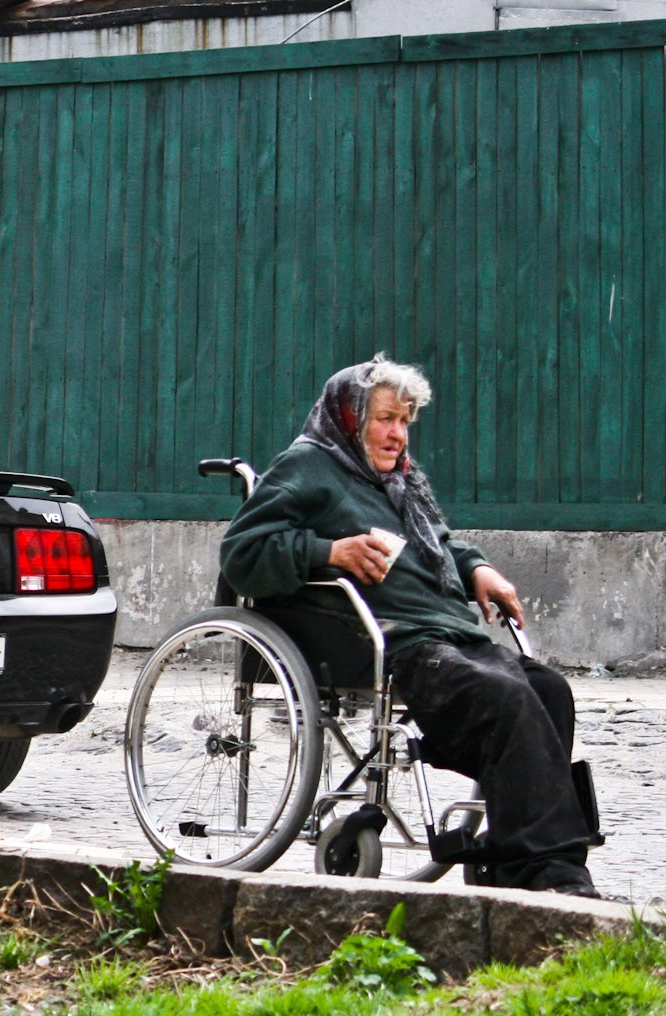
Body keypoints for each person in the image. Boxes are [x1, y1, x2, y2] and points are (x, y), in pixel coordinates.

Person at [220, 354, 598, 897]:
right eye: (385, 419)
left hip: (447, 633)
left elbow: (438, 542)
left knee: (548, 690)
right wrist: (331, 550)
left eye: (405, 422)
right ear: (350, 418)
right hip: (389, 641)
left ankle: (515, 856)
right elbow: (241, 552)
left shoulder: (398, 481)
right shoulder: (309, 466)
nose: (398, 435)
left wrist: (478, 568)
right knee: (506, 701)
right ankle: (556, 871)